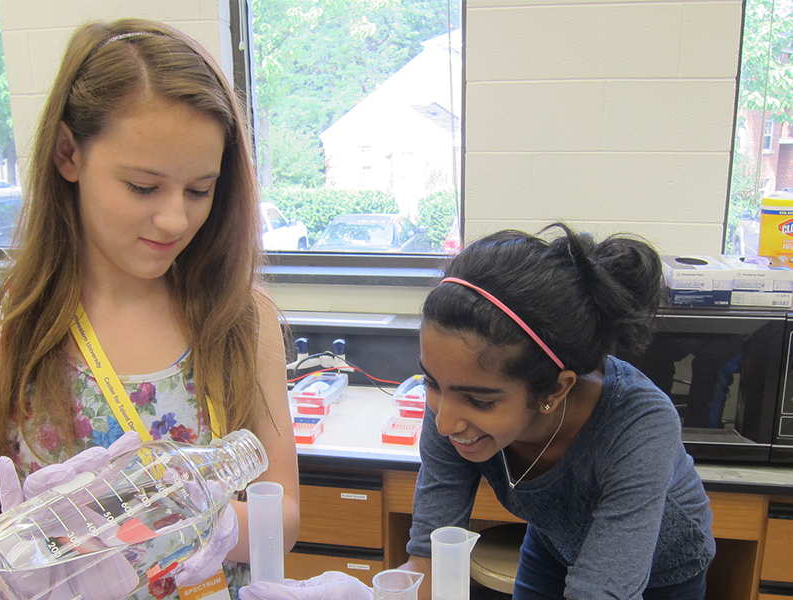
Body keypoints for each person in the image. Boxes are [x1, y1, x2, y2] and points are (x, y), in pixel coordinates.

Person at [0, 18, 299, 600]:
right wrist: (30, 575)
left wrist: (221, 521)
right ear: (68, 154)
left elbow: (283, 516)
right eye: (142, 187)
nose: (175, 220)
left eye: (199, 189)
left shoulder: (240, 319)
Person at [239, 224, 715, 600]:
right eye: (431, 382)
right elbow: (426, 561)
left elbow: (602, 590)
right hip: (554, 545)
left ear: (557, 388)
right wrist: (373, 595)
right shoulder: (453, 400)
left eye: (480, 401)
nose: (445, 422)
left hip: (662, 569)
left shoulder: (639, 426)